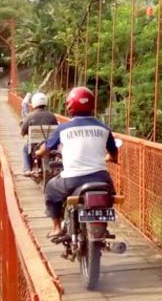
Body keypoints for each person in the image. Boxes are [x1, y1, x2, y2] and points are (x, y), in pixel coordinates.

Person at [37, 86, 117, 238]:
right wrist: (110, 158)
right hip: (100, 178)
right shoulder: (104, 128)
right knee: (110, 194)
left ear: (69, 106)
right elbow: (113, 153)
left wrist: (38, 152)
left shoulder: (63, 129)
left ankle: (56, 227)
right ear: (92, 104)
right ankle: (103, 225)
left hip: (72, 180)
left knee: (50, 189)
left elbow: (45, 150)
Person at [20, 92, 58, 176]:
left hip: (35, 147)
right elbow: (56, 130)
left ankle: (27, 169)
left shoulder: (30, 116)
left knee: (25, 149)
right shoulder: (52, 116)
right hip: (50, 145)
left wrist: (25, 132)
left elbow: (23, 131)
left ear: (34, 102)